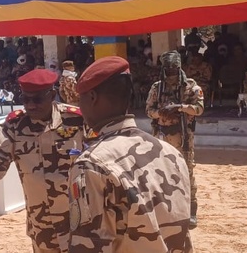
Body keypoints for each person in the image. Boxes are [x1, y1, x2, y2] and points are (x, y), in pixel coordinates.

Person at [68, 56, 192, 252]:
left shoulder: (92, 164)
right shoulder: (171, 153)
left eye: (79, 99)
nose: (79, 107)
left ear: (92, 97)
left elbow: (89, 246)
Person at [0, 69, 88, 253]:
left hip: (78, 220)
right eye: (26, 99)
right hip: (42, 224)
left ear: (52, 95)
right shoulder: (15, 125)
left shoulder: (76, 120)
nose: (30, 105)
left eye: (37, 100)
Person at [146, 50, 204, 228]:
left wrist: (180, 107)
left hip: (183, 137)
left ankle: (191, 211)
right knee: (161, 172)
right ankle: (166, 209)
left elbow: (199, 109)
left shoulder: (190, 86)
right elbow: (149, 111)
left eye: (174, 68)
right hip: (162, 137)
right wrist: (160, 113)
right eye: (168, 69)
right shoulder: (157, 87)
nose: (171, 72)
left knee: (186, 172)